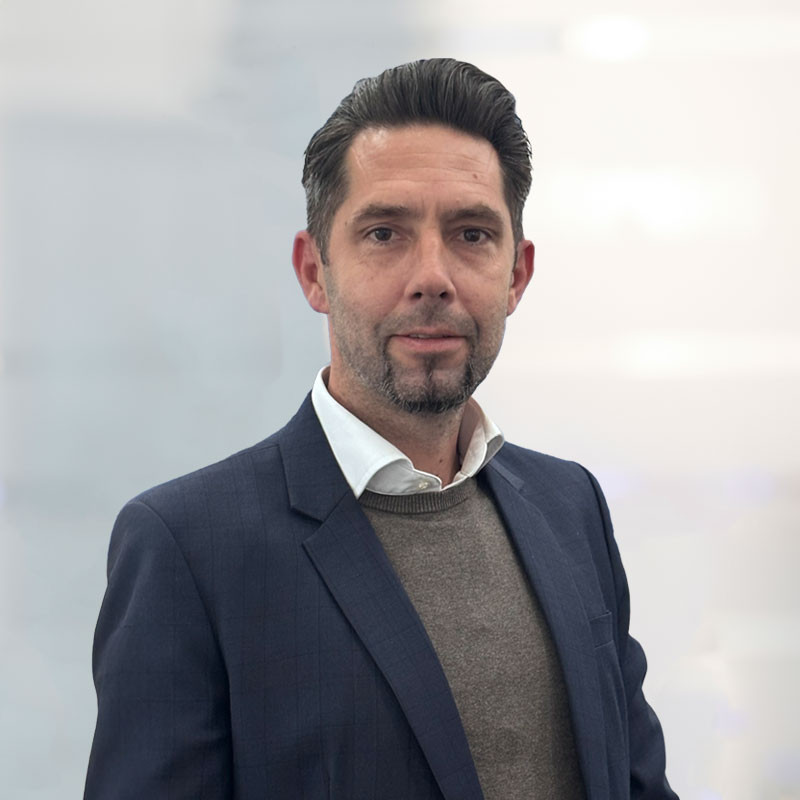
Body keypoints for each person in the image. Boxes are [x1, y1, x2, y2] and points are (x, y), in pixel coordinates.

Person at [84, 58, 678, 800]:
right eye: (385, 233)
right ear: (314, 273)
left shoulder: (571, 507)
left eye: (471, 233)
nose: (432, 275)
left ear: (517, 275)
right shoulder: (188, 548)